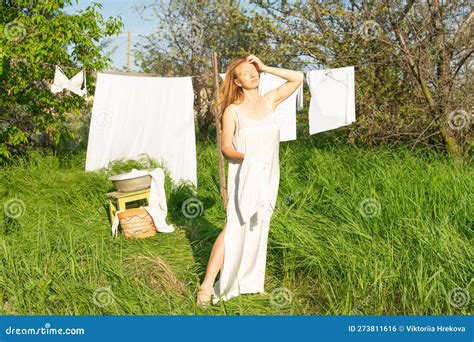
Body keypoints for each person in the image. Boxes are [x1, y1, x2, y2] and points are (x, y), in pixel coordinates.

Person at [196, 55, 304, 306]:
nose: (253, 75)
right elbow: (225, 148)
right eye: (245, 73)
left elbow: (297, 77)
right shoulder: (232, 110)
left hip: (268, 174)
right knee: (234, 226)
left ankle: (252, 283)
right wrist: (247, 158)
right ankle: (206, 285)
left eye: (254, 71)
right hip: (244, 173)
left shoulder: (269, 101)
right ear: (236, 81)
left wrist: (265, 66)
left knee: (259, 223)